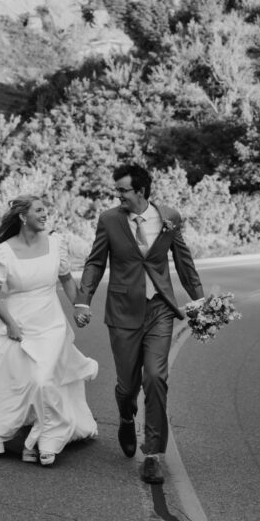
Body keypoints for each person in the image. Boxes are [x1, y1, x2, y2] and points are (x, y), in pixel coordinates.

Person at [0, 195, 98, 466]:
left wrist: (79, 307)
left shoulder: (55, 244)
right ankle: (17, 430)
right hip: (18, 321)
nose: (45, 215)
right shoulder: (1, 251)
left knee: (42, 378)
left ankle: (49, 438)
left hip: (51, 323)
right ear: (23, 217)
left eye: (46, 210)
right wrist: (10, 323)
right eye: (39, 211)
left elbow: (67, 280)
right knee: (17, 378)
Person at [74, 163, 204, 484]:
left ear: (141, 191)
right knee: (127, 385)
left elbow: (183, 262)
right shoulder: (109, 220)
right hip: (122, 312)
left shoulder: (170, 217)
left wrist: (199, 299)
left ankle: (154, 456)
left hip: (159, 308)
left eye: (123, 190)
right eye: (116, 190)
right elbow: (95, 262)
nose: (118, 196)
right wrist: (82, 300)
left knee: (156, 377)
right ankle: (125, 415)